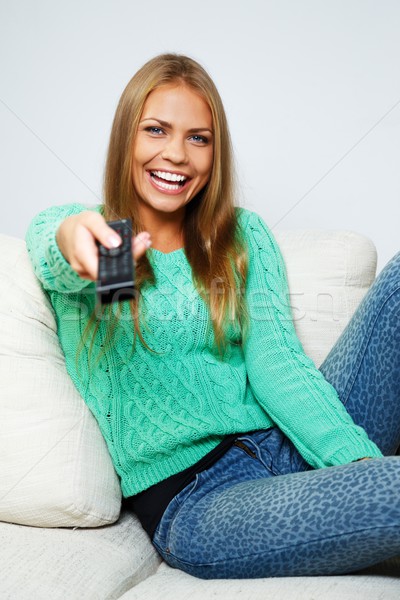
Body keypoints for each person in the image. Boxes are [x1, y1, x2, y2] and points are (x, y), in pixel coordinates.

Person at [26, 53, 400, 579]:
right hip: (202, 501)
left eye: (198, 138)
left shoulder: (239, 236)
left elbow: (278, 365)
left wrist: (357, 467)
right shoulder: (111, 246)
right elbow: (58, 243)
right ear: (125, 138)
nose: (176, 154)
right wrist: (73, 238)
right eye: (156, 130)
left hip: (283, 444)